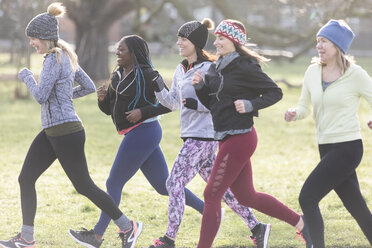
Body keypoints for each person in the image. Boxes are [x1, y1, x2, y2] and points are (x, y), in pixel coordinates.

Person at [0, 3, 137, 248]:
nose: (32, 43)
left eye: (34, 39)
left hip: (66, 132)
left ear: (45, 37)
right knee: (26, 178)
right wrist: (63, 96)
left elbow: (41, 95)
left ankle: (128, 226)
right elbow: (87, 86)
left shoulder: (54, 59)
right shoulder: (67, 55)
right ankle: (27, 237)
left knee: (84, 185)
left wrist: (27, 77)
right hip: (54, 131)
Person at [68, 34, 205, 248]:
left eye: (122, 50)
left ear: (133, 53)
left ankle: (98, 235)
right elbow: (110, 111)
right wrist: (102, 100)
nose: (117, 53)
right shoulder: (117, 75)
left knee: (113, 182)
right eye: (117, 49)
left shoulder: (150, 75)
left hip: (146, 130)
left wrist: (143, 111)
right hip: (135, 133)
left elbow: (169, 104)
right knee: (164, 186)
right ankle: (209, 211)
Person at [192, 19, 313, 248]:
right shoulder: (215, 67)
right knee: (246, 197)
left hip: (241, 138)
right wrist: (200, 87)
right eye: (216, 38)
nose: (216, 42)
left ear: (234, 41)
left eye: (221, 38)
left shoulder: (245, 66)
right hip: (225, 137)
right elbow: (213, 104)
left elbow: (274, 92)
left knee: (211, 195)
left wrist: (249, 105)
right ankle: (302, 224)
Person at [150, 18, 270, 248]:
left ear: (195, 43)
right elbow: (174, 103)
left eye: (183, 40)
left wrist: (198, 105)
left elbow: (221, 103)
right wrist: (157, 87)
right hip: (193, 136)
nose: (178, 43)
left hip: (203, 137)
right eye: (178, 39)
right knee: (221, 191)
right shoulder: (180, 68)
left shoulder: (210, 69)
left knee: (174, 183)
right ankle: (257, 227)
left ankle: (169, 239)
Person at [285, 19, 372, 247]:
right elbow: (305, 107)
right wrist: (295, 112)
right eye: (318, 41)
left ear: (337, 45)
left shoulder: (355, 74)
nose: (319, 46)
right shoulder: (312, 72)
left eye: (324, 41)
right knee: (356, 206)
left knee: (307, 197)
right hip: (325, 146)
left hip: (348, 147)